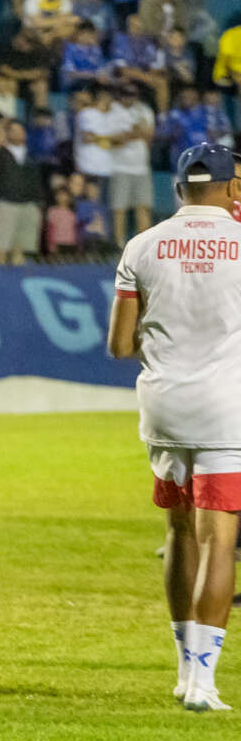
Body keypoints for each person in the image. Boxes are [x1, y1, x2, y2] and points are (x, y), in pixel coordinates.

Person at [105, 142, 241, 712]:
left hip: (162, 409)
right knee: (221, 543)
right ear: (232, 188)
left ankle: (185, 670)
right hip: (225, 411)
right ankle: (204, 683)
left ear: (178, 189)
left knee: (178, 534)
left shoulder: (142, 245)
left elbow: (118, 344)